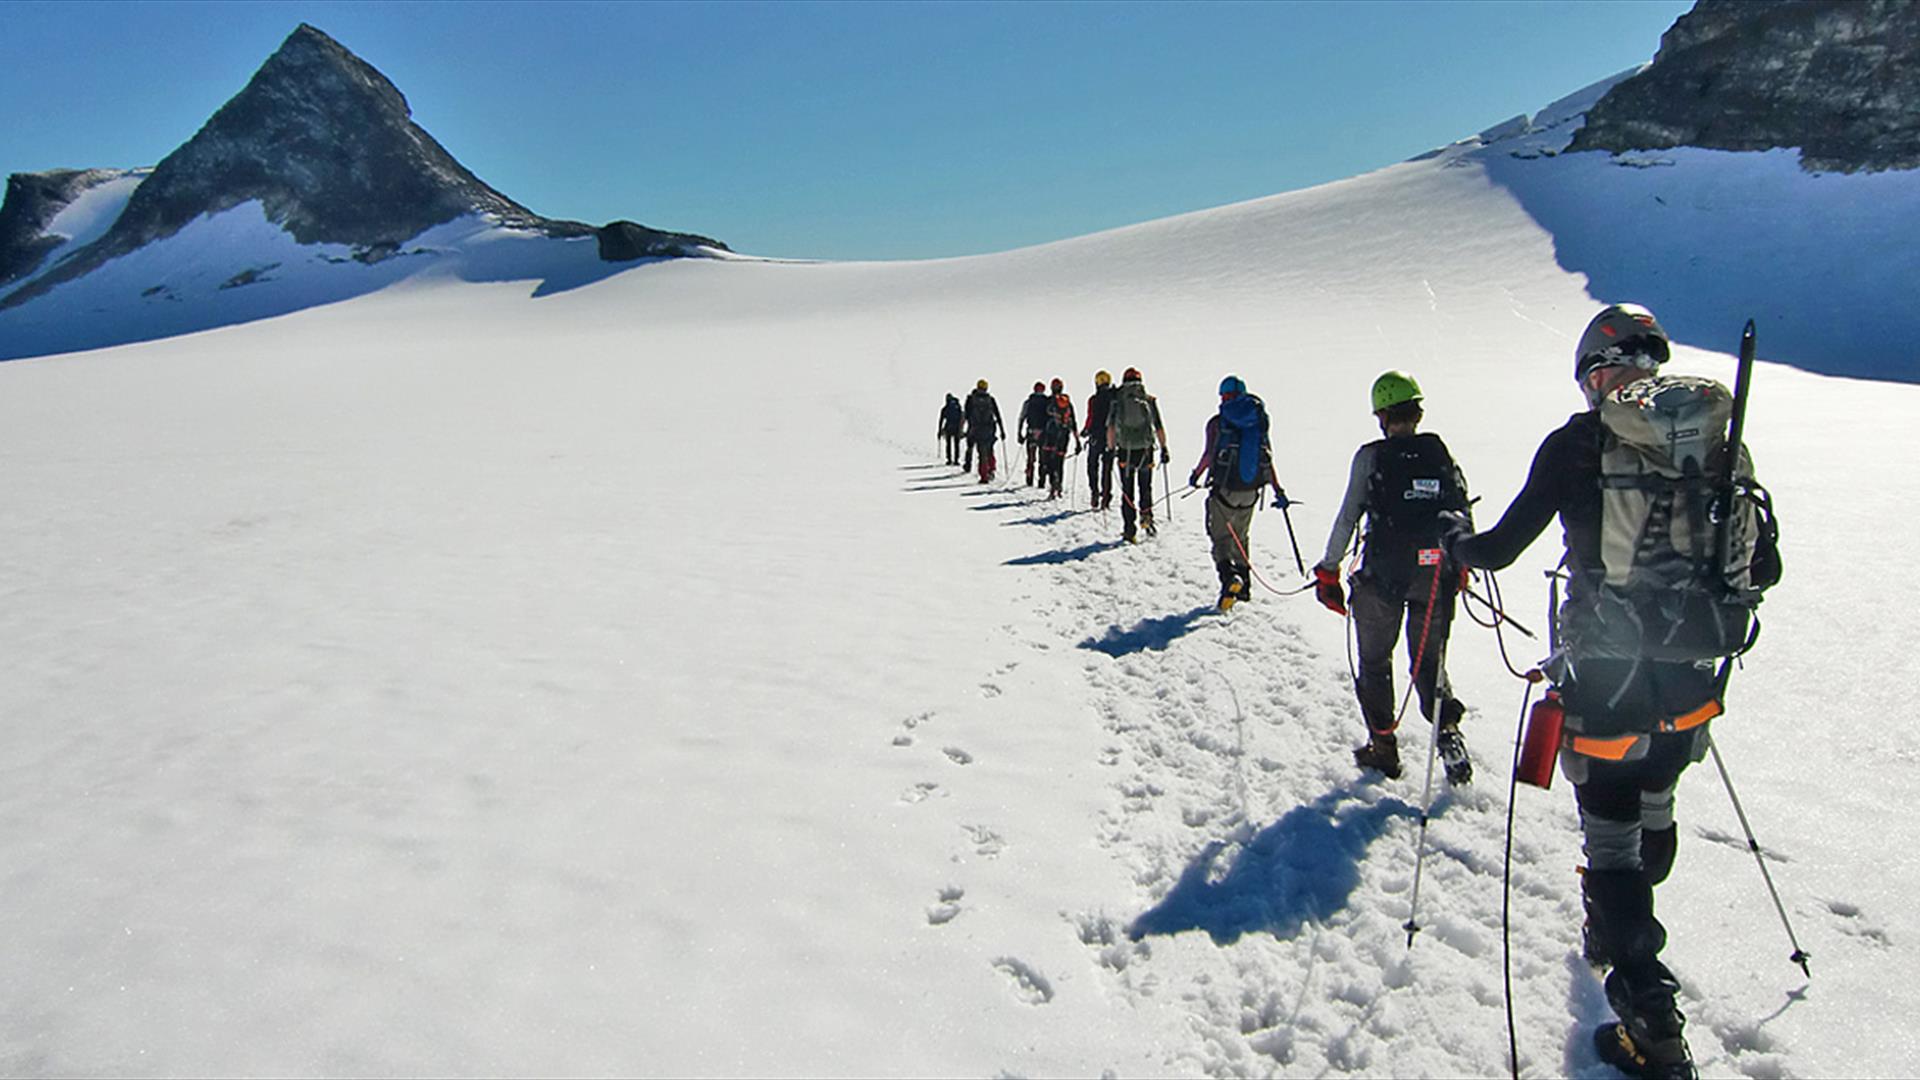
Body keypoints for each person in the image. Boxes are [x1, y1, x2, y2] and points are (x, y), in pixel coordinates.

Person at [1444, 304, 1730, 1080]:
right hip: (1693, 673)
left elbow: (1500, 547)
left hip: (1605, 675)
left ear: (1598, 372)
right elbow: (1756, 566)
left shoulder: (1577, 444)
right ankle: (1622, 923)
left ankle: (1649, 1015)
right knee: (1655, 803)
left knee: (1609, 836)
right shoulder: (1714, 443)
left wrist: (1452, 541)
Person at [1312, 371, 1473, 783]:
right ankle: (1448, 731)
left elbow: (1349, 514)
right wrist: (1461, 565)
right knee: (1429, 661)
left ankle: (1384, 748)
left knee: (1374, 661)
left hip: (1382, 576)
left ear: (1382, 414)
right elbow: (1461, 509)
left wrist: (1329, 569)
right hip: (1435, 573)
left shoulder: (1371, 457)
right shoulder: (1439, 452)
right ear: (1416, 410)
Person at [1188, 375, 1288, 609]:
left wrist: (1196, 475)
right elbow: (1267, 457)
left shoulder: (1218, 423)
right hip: (1251, 491)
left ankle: (1229, 578)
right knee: (1241, 537)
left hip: (1224, 490)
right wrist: (1277, 490)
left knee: (1220, 538)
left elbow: (1209, 455)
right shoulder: (1258, 421)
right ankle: (1245, 589)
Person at [1107, 367, 1169, 543]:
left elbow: (1111, 428)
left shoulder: (1117, 402)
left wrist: (1111, 449)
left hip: (1125, 453)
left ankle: (1129, 530)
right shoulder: (1148, 400)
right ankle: (1147, 520)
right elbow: (1158, 426)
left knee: (1127, 491)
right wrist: (1164, 448)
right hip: (1146, 451)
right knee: (1145, 487)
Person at [1040, 379, 1081, 500]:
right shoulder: (1067, 403)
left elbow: (1042, 420)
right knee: (1060, 461)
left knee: (1049, 462)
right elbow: (1073, 422)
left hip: (1050, 436)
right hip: (1064, 436)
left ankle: (1053, 484)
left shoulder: (1049, 402)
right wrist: (1077, 441)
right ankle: (1059, 487)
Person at [1082, 370, 1118, 509]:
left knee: (1092, 465)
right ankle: (1106, 496)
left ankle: (1095, 492)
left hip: (1096, 437)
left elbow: (1090, 417)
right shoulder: (1114, 398)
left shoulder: (1093, 399)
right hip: (1111, 438)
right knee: (1107, 468)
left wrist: (1086, 430)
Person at [963, 379, 1005, 484]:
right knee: (990, 450)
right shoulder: (990, 399)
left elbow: (966, 415)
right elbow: (998, 414)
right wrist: (1002, 430)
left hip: (976, 429)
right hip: (990, 428)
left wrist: (966, 429)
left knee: (981, 453)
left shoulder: (971, 399)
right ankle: (991, 469)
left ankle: (984, 476)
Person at [1018, 381, 1052, 487]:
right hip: (1043, 433)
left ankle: (1029, 479)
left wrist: (1019, 433)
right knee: (1043, 459)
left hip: (1031, 432)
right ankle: (1041, 482)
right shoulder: (1047, 402)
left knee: (1031, 458)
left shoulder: (1028, 402)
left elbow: (1022, 417)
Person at [938, 393, 965, 466]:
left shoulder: (945, 408)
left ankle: (949, 460)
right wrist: (961, 429)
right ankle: (956, 460)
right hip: (957, 427)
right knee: (956, 444)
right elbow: (962, 417)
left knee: (948, 444)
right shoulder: (957, 406)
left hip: (948, 427)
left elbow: (941, 420)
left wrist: (939, 430)